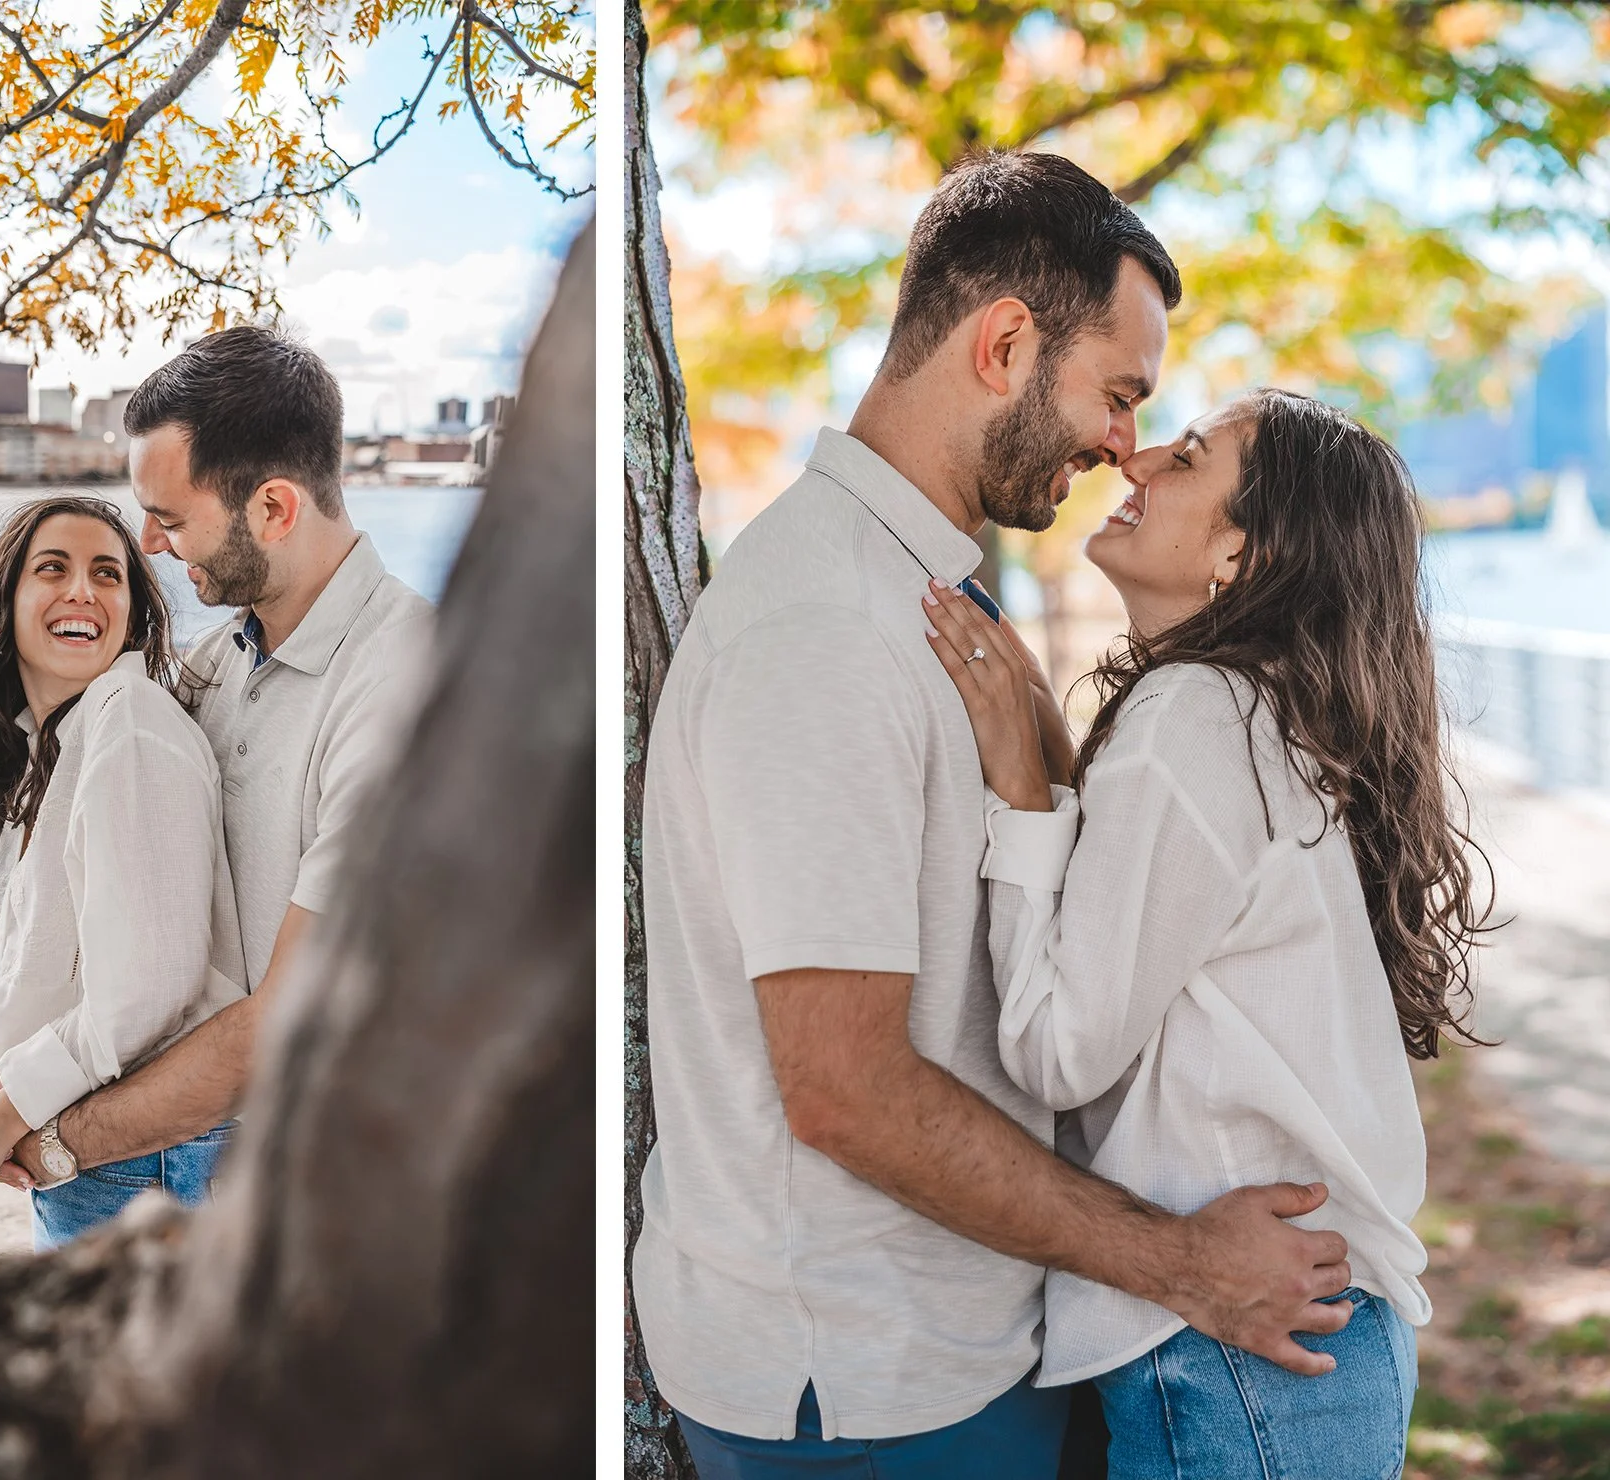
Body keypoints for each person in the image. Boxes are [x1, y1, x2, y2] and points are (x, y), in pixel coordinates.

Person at [633, 149, 1355, 1476]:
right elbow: (844, 1089)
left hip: (973, 1337)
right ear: (1006, 343)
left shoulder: (926, 595)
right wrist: (1184, 1263)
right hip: (870, 1384)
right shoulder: (822, 630)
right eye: (1119, 394)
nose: (1125, 443)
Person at [923, 390, 1487, 1475]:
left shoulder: (1195, 715)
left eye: (1186, 460)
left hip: (1244, 1360)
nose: (1131, 465)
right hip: (1302, 1345)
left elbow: (1054, 1050)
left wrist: (1016, 784)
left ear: (1244, 547)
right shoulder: (1258, 715)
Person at [0, 327, 434, 1192]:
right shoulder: (211, 666)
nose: (148, 544)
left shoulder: (407, 688)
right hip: (168, 1155)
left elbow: (290, 1018)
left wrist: (53, 1144)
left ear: (275, 509)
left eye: (171, 518)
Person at [0, 494, 249, 1248]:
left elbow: (146, 992)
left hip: (149, 1161)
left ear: (131, 610)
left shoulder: (128, 721)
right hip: (98, 1149)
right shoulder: (42, 747)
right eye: (52, 569)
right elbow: (28, 963)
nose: (82, 592)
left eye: (108, 574)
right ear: (10, 598)